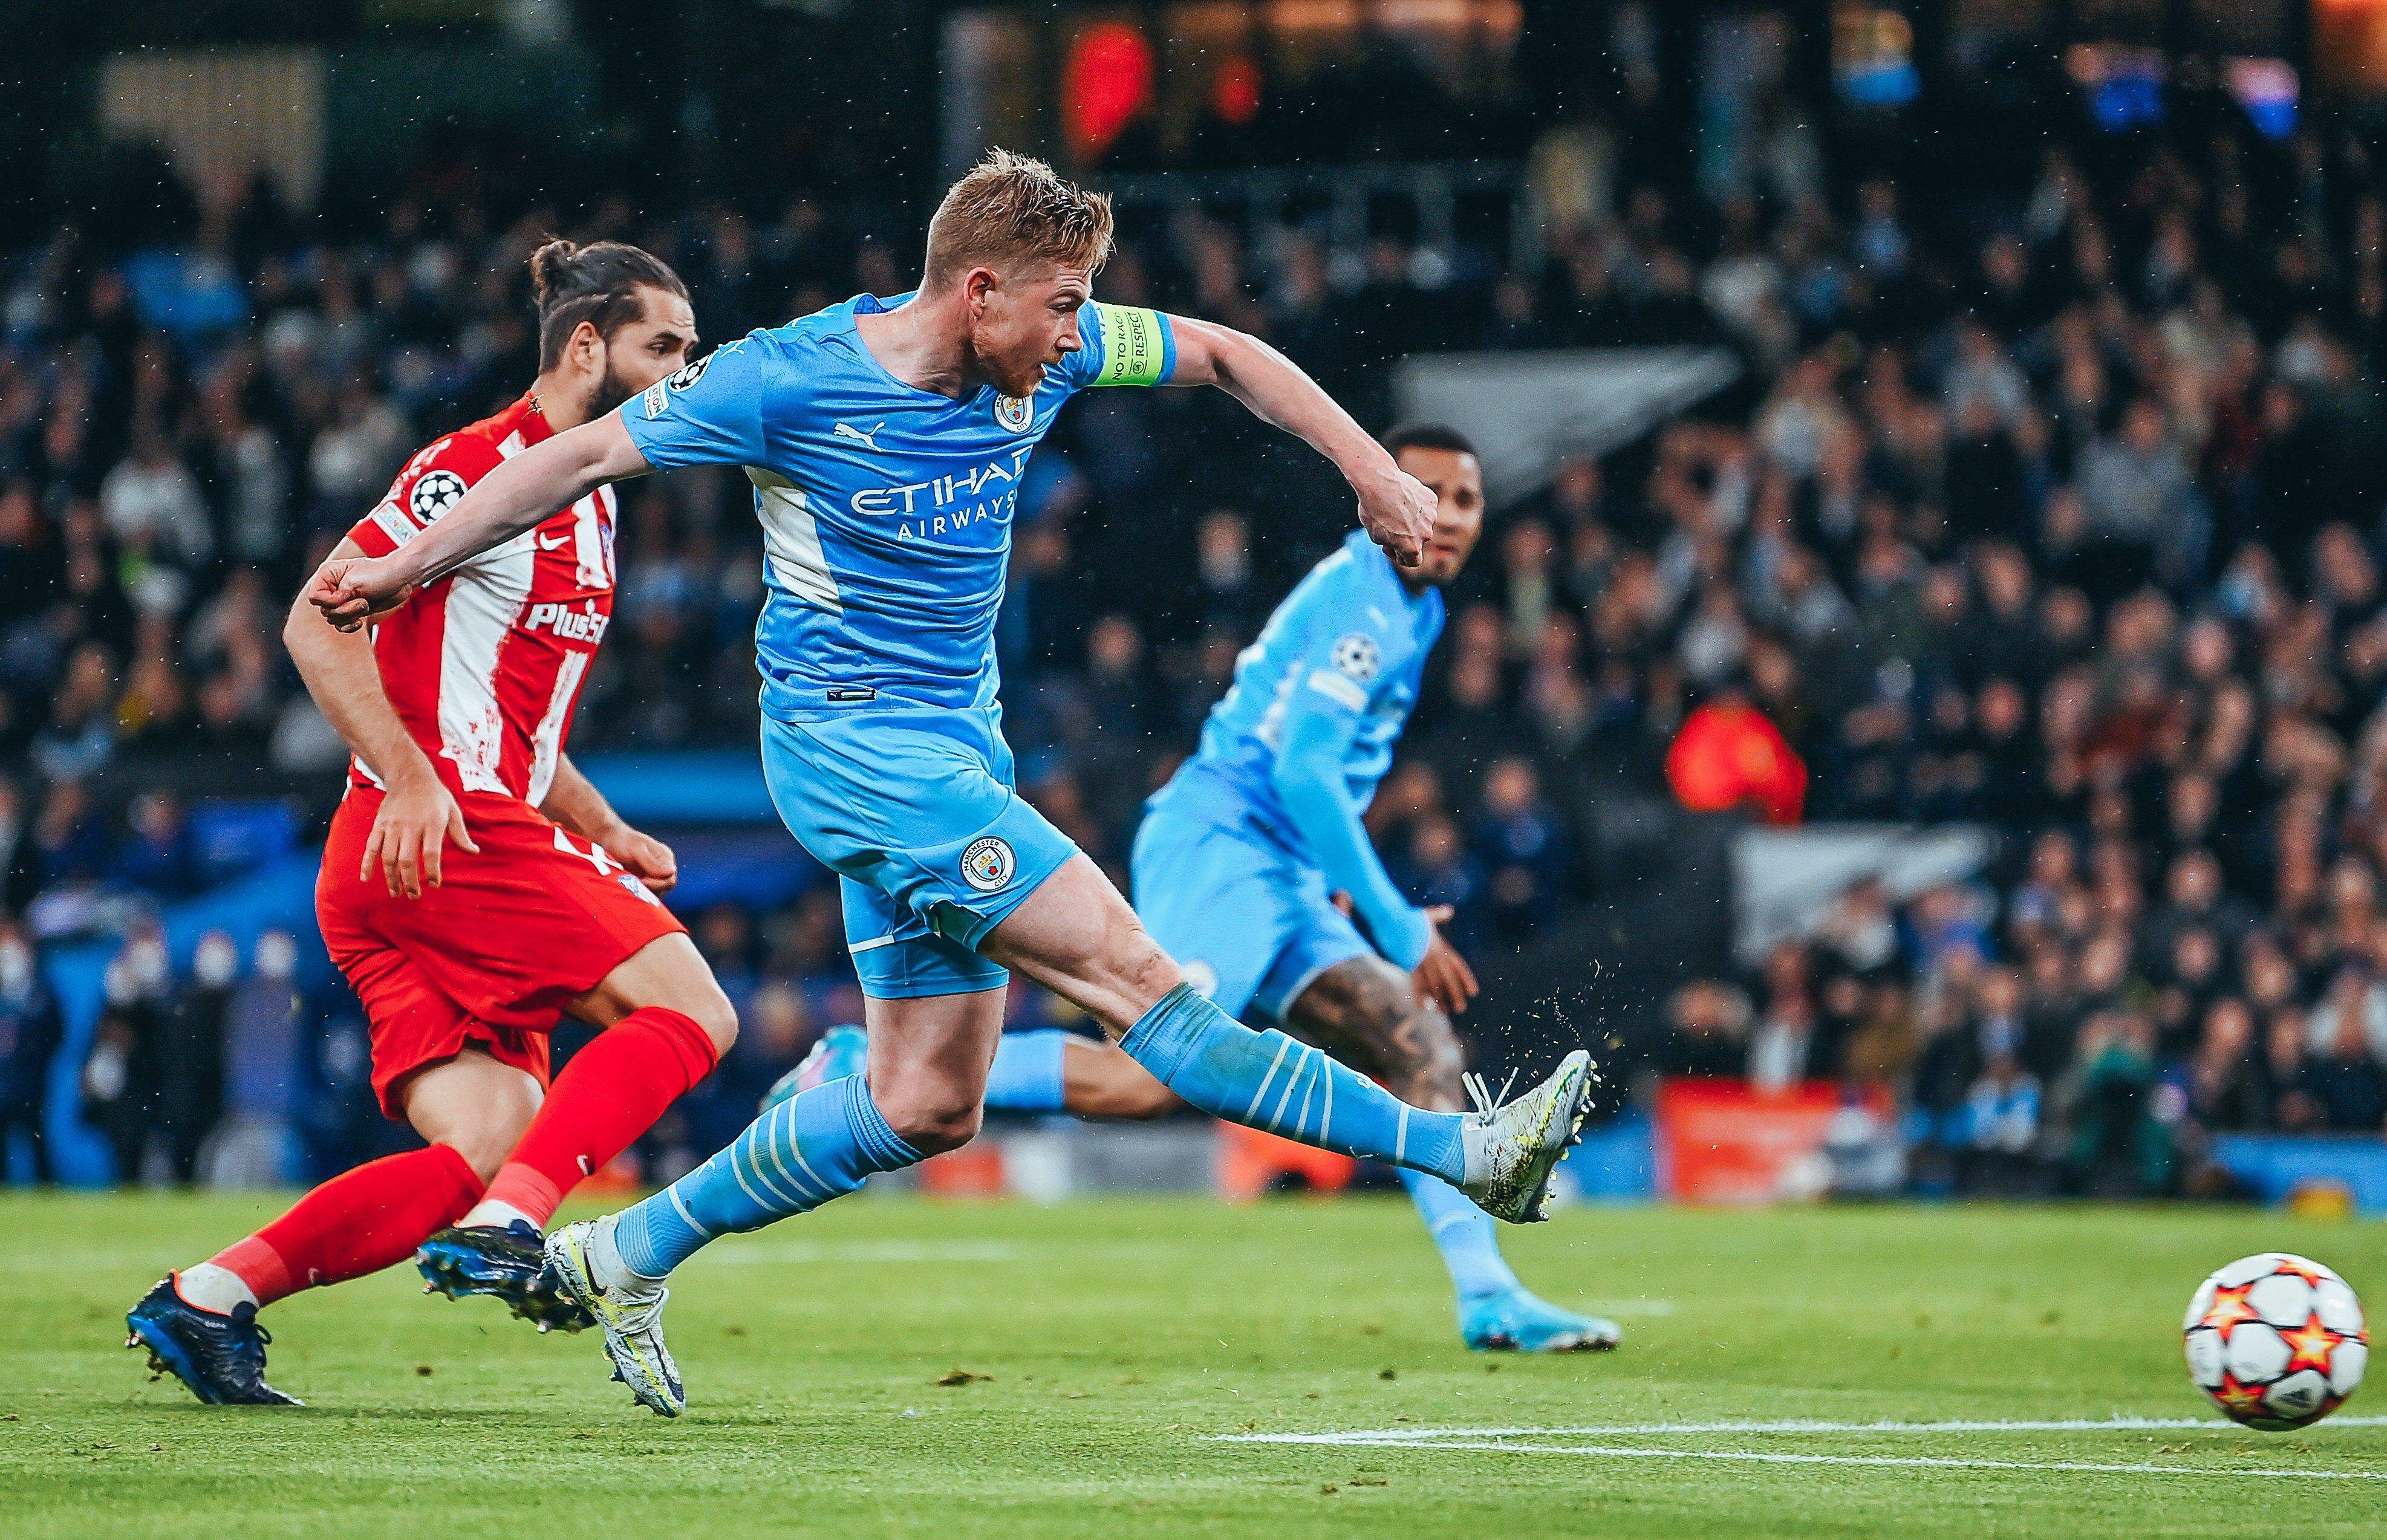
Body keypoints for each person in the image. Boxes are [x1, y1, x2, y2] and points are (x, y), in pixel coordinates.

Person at [308, 151, 1594, 1418]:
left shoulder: (1055, 346)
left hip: (954, 746)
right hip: (852, 748)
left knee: (926, 1099)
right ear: (980, 290)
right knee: (1142, 984)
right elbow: (572, 462)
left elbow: (1226, 354)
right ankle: (1465, 1152)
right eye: (1062, 305)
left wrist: (1370, 466)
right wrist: (412, 557)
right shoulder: (784, 376)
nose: (1079, 336)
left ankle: (622, 1254)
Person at [780, 425, 1617, 1353]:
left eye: (1465, 498)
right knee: (1148, 1078)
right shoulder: (1370, 606)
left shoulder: (1410, 607)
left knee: (1415, 1039)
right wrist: (1394, 920)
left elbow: (1313, 778)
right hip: (1222, 845)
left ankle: (1487, 1293)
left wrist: (1323, 879)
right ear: (1381, 497)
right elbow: (1300, 771)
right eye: (1425, 491)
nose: (1446, 515)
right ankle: (861, 1067)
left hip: (1278, 864)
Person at [126, 241, 741, 1406]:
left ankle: (209, 1297)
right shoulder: (479, 467)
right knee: (691, 1012)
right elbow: (319, 621)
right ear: (583, 346)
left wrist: (601, 825)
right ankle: (519, 1231)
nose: (681, 374)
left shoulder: (589, 496)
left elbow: (518, 728)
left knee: (479, 1150)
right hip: (441, 836)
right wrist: (409, 777)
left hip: (409, 854)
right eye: (664, 348)